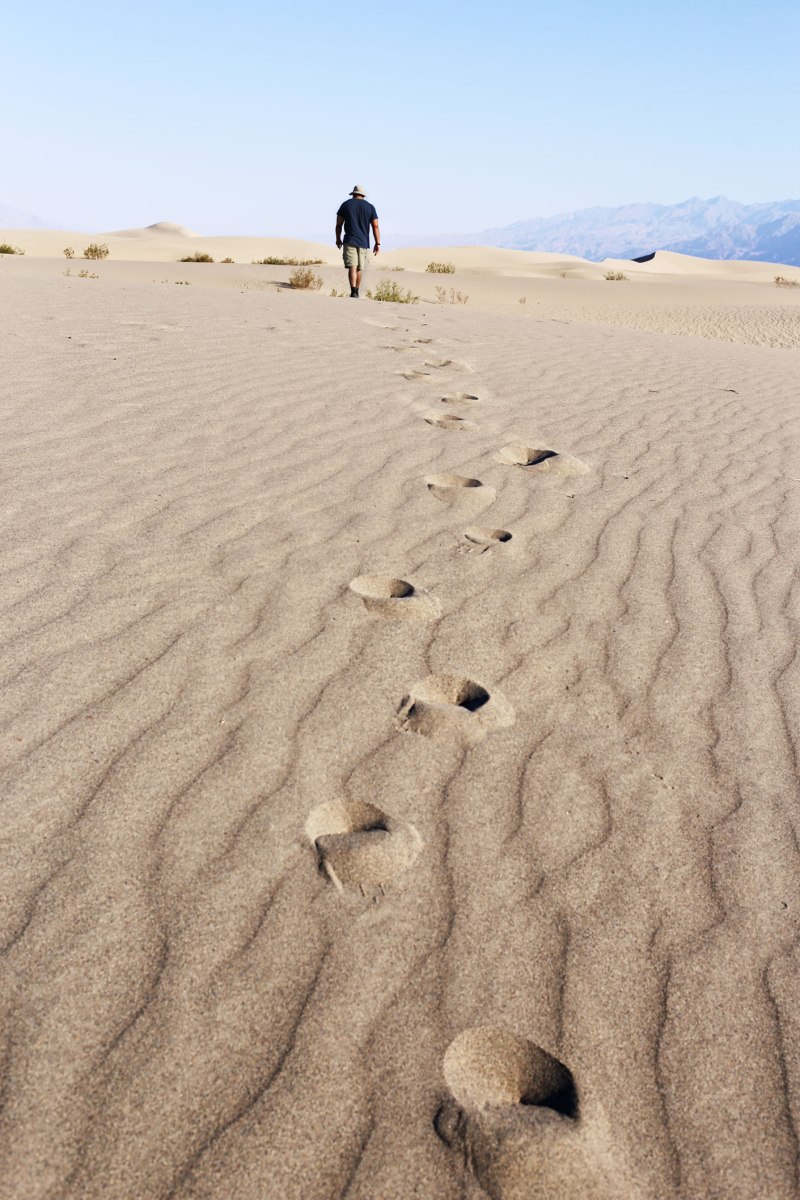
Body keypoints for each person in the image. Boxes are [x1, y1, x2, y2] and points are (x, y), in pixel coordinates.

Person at [335, 186, 380, 298]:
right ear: (363, 195)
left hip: (349, 239)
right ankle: (357, 291)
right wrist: (377, 243)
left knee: (352, 266)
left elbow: (338, 225)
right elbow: (375, 226)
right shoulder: (370, 207)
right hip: (363, 242)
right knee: (359, 268)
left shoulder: (345, 205)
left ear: (353, 194)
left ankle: (353, 292)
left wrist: (338, 239)